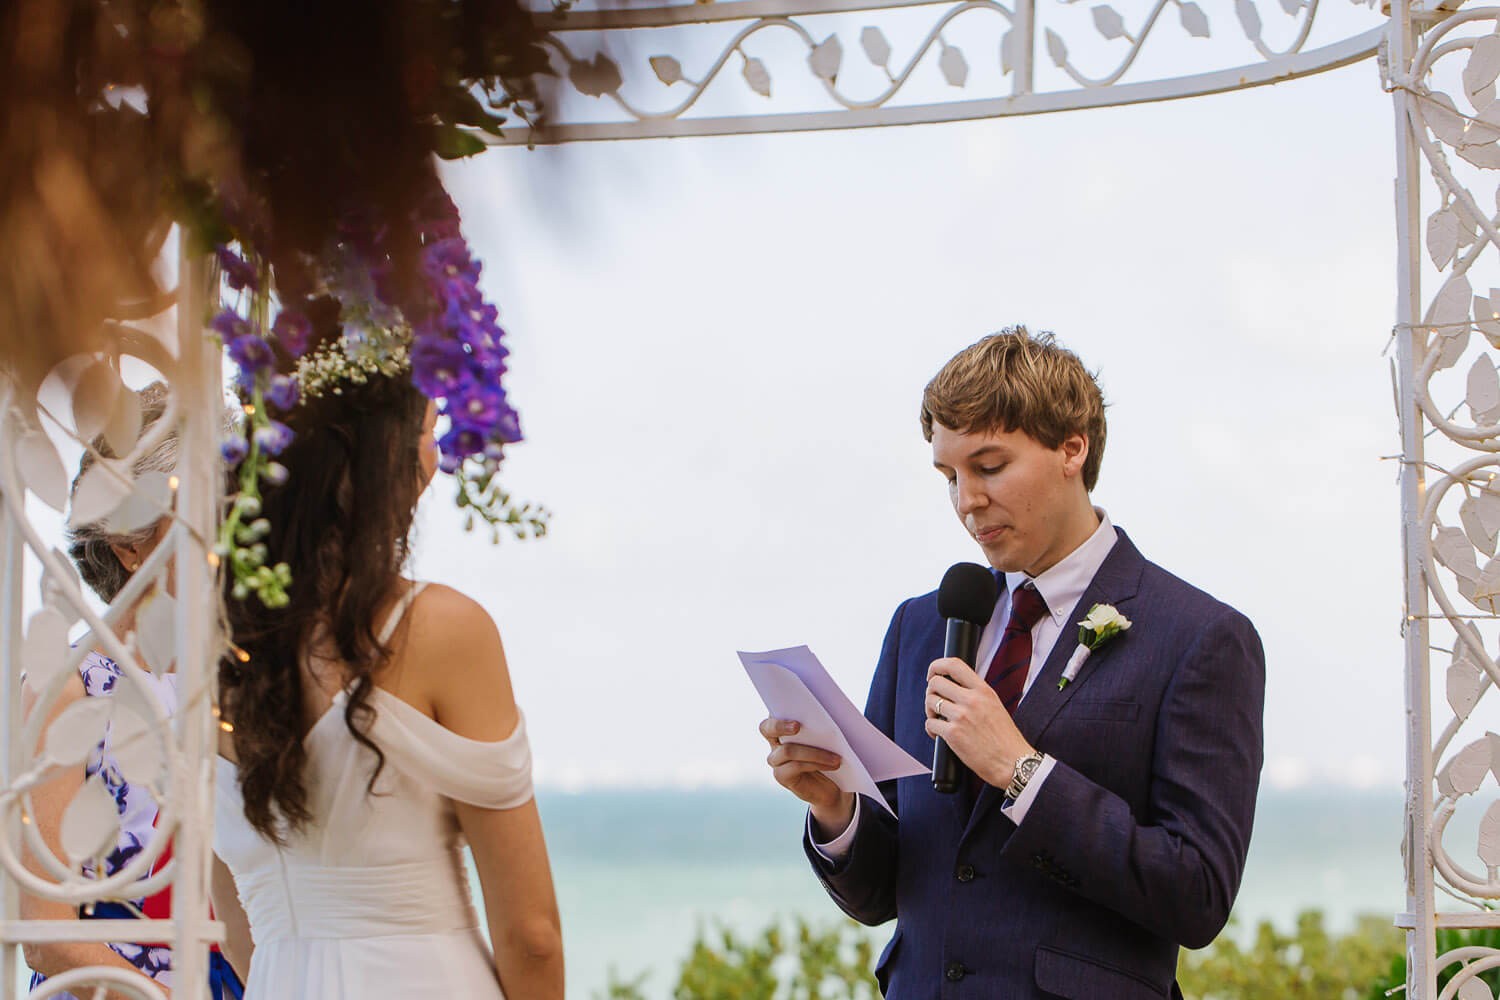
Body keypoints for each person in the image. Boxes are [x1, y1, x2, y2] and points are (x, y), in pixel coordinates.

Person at [760, 328, 1265, 999]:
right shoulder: (922, 625)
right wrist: (834, 809)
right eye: (949, 476)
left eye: (989, 467)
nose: (967, 500)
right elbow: (881, 895)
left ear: (1071, 448)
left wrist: (1021, 772)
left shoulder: (1200, 637)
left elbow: (1197, 895)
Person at [210, 336, 564, 999]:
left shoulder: (209, 647)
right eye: (429, 431)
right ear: (383, 458)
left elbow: (234, 925)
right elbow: (532, 934)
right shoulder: (440, 629)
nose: (435, 460)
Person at [22, 381, 244, 1000]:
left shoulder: (231, 682)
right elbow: (46, 932)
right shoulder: (68, 692)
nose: (224, 546)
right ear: (126, 546)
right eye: (203, 523)